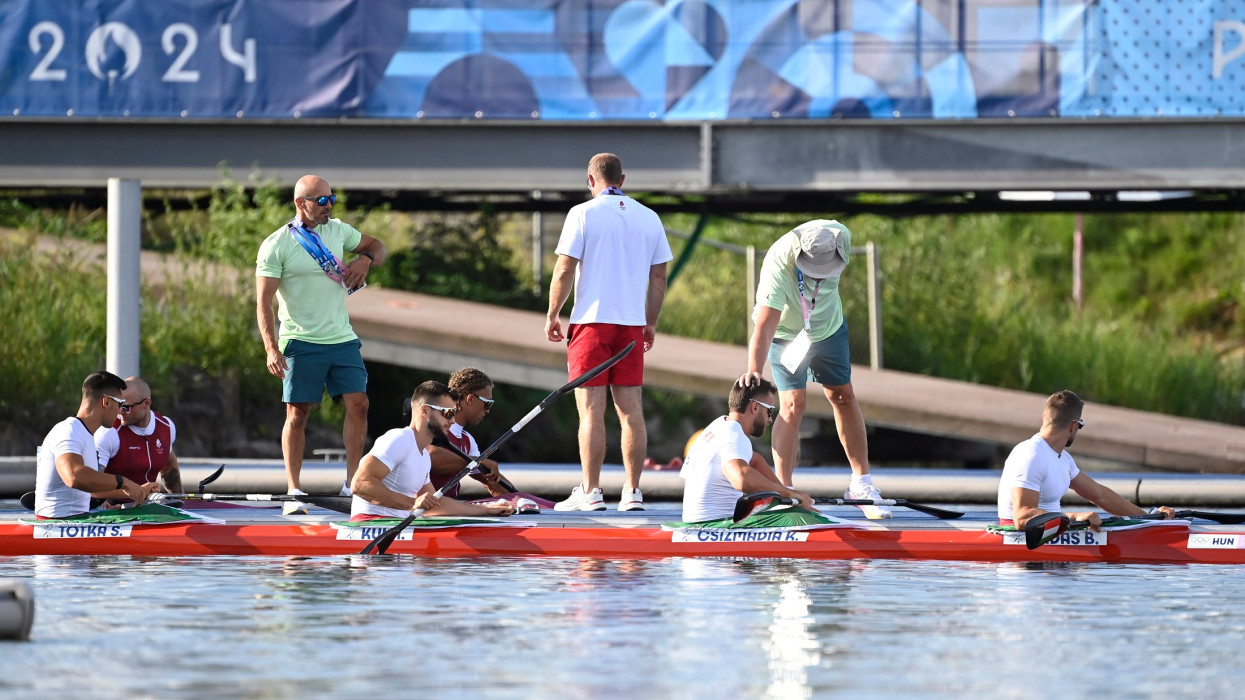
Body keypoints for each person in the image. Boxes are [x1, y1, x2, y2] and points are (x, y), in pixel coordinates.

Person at [737, 219, 891, 519]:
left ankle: (861, 484)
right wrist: (754, 369)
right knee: (793, 404)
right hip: (785, 334)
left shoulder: (841, 236)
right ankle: (784, 492)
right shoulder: (778, 263)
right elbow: (766, 325)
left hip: (829, 327)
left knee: (842, 396)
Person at [545, 153, 673, 512]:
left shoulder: (582, 214)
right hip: (631, 325)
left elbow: (565, 268)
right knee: (631, 410)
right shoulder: (650, 217)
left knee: (591, 412)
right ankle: (632, 492)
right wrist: (649, 321)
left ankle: (592, 491)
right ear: (624, 179)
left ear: (590, 180)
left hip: (591, 322)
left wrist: (554, 314)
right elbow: (658, 278)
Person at [256, 174, 387, 514]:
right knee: (297, 413)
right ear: (301, 203)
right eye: (322, 201)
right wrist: (271, 347)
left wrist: (365, 260)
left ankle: (351, 484)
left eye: (332, 199)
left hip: (341, 338)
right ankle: (294, 490)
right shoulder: (276, 244)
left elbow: (378, 247)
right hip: (300, 339)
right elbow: (263, 302)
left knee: (359, 404)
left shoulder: (339, 230)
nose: (330, 206)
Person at [998, 390, 1175, 530]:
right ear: (1074, 426)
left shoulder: (1064, 460)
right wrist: (1075, 517)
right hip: (1020, 556)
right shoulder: (1030, 455)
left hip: (1051, 539)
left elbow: (1100, 495)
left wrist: (1148, 518)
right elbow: (1022, 518)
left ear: (1045, 417)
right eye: (1080, 426)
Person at [349, 381, 514, 521]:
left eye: (454, 413)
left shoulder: (423, 456)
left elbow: (434, 506)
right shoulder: (398, 439)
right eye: (448, 413)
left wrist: (486, 510)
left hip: (399, 529)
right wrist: (412, 503)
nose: (453, 420)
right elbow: (360, 484)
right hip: (369, 525)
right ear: (425, 411)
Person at [681, 378, 813, 523]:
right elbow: (741, 479)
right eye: (770, 411)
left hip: (696, 524)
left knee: (754, 459)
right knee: (800, 520)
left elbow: (754, 461)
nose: (770, 420)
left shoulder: (715, 428)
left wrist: (789, 498)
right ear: (755, 407)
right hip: (715, 528)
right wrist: (788, 493)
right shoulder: (734, 434)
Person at [34, 372, 159, 519]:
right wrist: (123, 482)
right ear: (106, 402)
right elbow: (73, 476)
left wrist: (135, 489)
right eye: (120, 404)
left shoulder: (84, 434)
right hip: (55, 529)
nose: (120, 412)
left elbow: (91, 491)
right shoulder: (68, 431)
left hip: (74, 521)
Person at [94, 376, 181, 498]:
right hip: (112, 512)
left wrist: (179, 503)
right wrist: (139, 491)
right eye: (118, 405)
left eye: (126, 408)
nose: (120, 412)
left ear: (146, 403)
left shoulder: (166, 426)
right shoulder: (108, 432)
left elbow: (169, 467)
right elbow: (91, 489)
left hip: (146, 510)